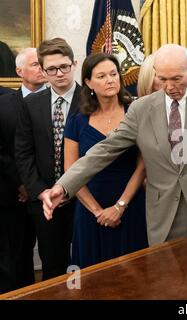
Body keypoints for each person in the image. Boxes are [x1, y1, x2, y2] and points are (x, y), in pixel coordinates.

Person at [40, 44, 187, 246]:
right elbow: (103, 151)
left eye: (177, 79)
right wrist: (64, 185)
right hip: (163, 221)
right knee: (166, 284)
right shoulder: (140, 109)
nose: (169, 87)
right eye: (162, 79)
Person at [65, 53, 148, 268]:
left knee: (135, 278)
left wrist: (120, 206)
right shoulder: (77, 121)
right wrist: (97, 211)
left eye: (113, 74)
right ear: (88, 82)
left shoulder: (135, 113)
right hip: (89, 209)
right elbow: (71, 170)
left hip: (130, 205)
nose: (110, 80)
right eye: (101, 76)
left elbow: (143, 165)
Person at [15, 38, 80, 280]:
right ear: (43, 71)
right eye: (51, 69)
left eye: (64, 66)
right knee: (52, 266)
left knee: (86, 264)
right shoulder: (31, 104)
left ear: (74, 64)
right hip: (45, 202)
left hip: (82, 198)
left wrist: (70, 189)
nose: (59, 73)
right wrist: (41, 192)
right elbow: (23, 153)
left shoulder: (90, 101)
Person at [0, 48, 47, 293]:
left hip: (51, 192)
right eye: (35, 64)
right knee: (17, 254)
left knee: (53, 256)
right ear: (19, 72)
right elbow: (4, 150)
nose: (42, 68)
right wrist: (23, 184)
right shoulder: (4, 104)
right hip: (14, 195)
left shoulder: (59, 99)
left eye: (43, 63)